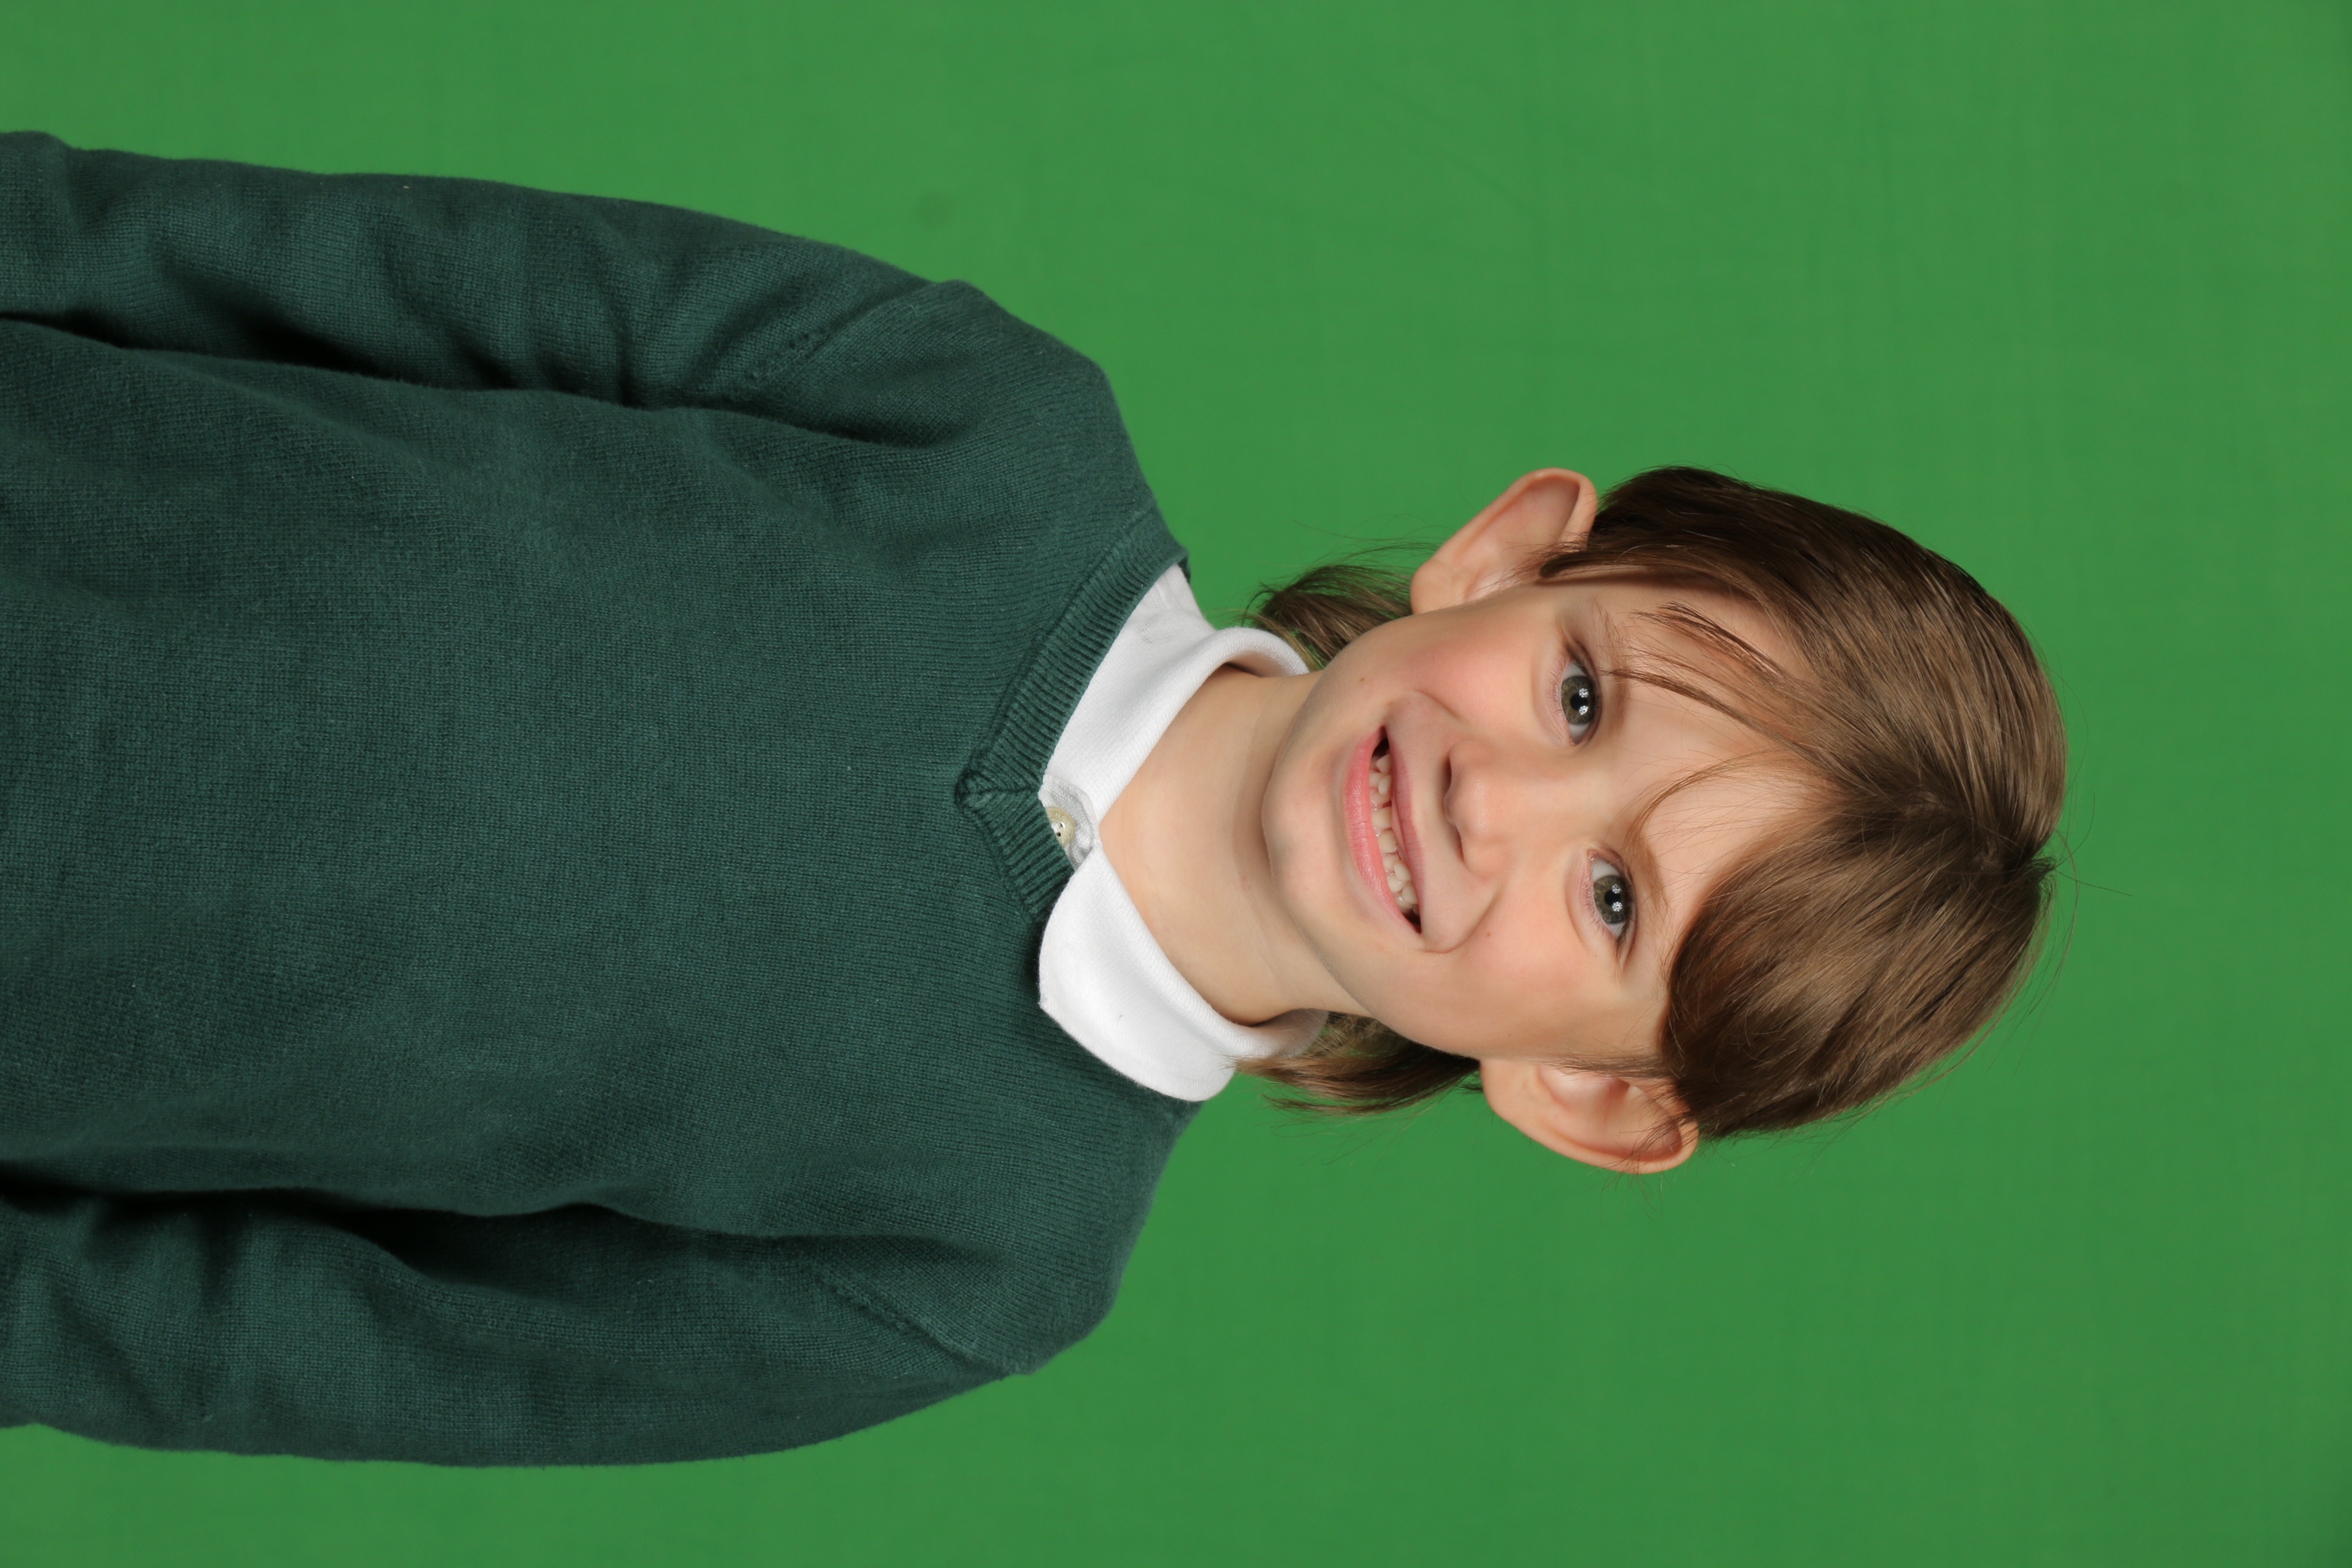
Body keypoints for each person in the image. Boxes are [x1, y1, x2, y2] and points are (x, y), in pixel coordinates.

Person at [0, 133, 2067, 1465]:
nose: (1494, 799)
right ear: (1508, 558)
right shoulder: (983, 422)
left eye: (1615, 903)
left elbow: (305, 1342)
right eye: (1582, 693)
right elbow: (348, 269)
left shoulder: (967, 1265)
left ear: (1595, 1094)